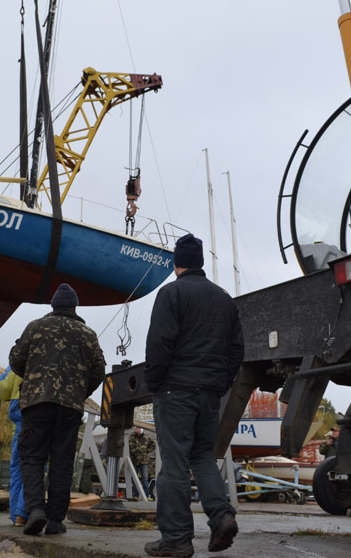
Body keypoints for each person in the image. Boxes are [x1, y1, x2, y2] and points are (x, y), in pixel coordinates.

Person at [143, 233, 245, 557]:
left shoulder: (171, 293)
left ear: (177, 263)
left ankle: (176, 539)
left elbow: (159, 343)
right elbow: (236, 350)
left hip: (176, 390)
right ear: (200, 262)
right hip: (209, 393)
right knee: (202, 457)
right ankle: (222, 515)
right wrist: (220, 383)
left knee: (174, 463)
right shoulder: (224, 298)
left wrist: (154, 382)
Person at [10, 282, 106, 536]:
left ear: (53, 306)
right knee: (62, 462)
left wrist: (32, 378)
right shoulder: (88, 334)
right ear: (75, 307)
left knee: (31, 458)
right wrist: (79, 392)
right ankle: (55, 520)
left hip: (36, 403)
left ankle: (35, 511)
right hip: (70, 407)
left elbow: (16, 360)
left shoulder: (35, 327)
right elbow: (99, 371)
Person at [0, 367, 27, 526]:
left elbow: (2, 390)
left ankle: (17, 515)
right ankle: (23, 513)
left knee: (17, 470)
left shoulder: (16, 362)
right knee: (34, 467)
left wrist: (2, 378)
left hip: (20, 419)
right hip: (41, 415)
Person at [129, 426, 156, 500]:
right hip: (134, 461)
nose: (137, 429)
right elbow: (127, 447)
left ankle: (146, 495)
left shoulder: (146, 437)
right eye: (136, 428)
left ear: (141, 429)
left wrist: (146, 451)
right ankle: (135, 495)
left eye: (139, 428)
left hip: (143, 461)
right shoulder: (131, 437)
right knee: (134, 479)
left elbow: (153, 445)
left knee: (145, 479)